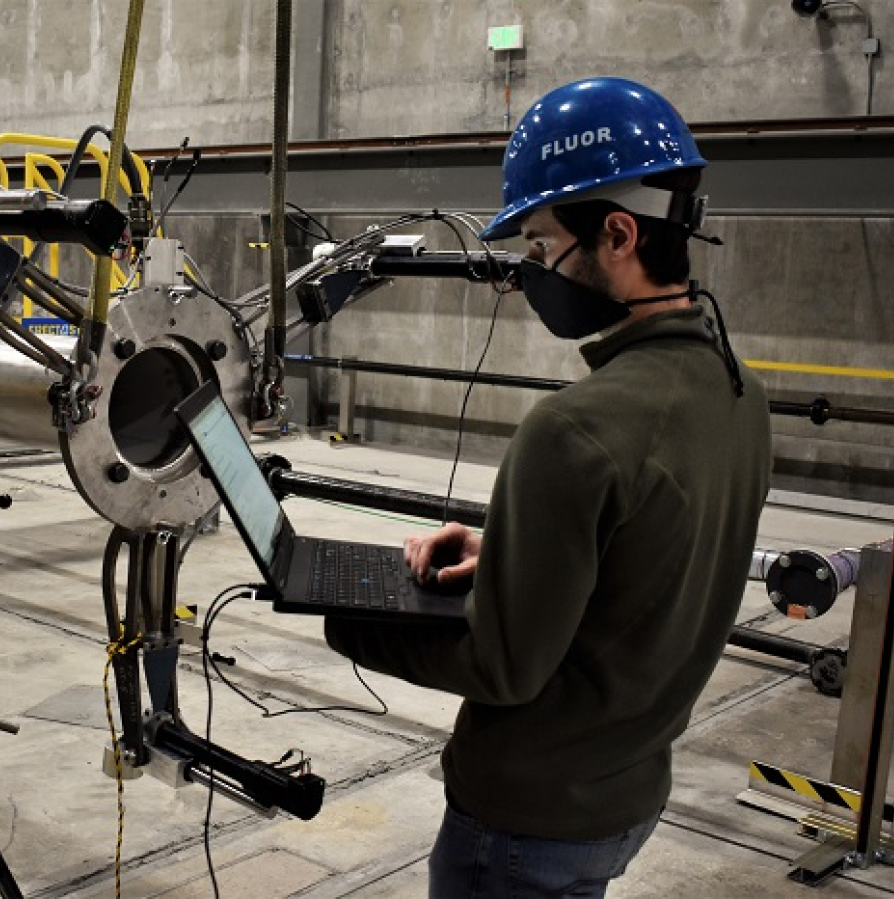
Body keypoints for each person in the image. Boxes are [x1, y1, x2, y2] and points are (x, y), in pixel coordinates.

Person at [324, 77, 772, 898]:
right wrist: (507, 549)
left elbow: (503, 668)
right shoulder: (736, 390)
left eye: (538, 246)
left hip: (524, 821)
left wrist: (345, 616)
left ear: (618, 234)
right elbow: (648, 553)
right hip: (625, 792)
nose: (531, 272)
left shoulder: (574, 429)